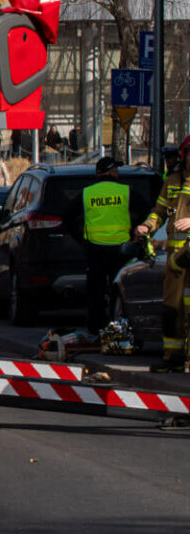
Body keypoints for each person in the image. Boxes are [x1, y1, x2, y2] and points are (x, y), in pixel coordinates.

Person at [135, 136, 190, 372]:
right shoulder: (173, 180)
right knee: (171, 310)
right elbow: (159, 211)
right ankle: (173, 358)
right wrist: (147, 226)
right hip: (175, 262)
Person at [74, 157, 134, 339]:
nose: (117, 172)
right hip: (122, 250)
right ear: (111, 171)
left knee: (96, 292)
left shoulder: (87, 193)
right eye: (116, 169)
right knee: (121, 290)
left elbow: (68, 217)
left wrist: (81, 238)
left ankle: (96, 328)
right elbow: (147, 208)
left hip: (95, 249)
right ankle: (122, 327)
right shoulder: (125, 191)